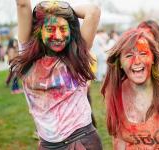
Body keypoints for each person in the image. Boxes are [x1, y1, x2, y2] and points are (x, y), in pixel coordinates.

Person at [10, 0, 102, 149]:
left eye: (63, 28)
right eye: (50, 29)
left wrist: (60, 9)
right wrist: (48, 12)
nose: (58, 35)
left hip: (81, 140)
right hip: (47, 145)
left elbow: (93, 11)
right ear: (39, 30)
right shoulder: (27, 53)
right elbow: (22, 4)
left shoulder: (77, 55)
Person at [101, 29, 159, 149]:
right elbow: (119, 139)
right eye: (129, 55)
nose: (137, 61)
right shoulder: (114, 93)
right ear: (120, 62)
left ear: (153, 58)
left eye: (143, 53)